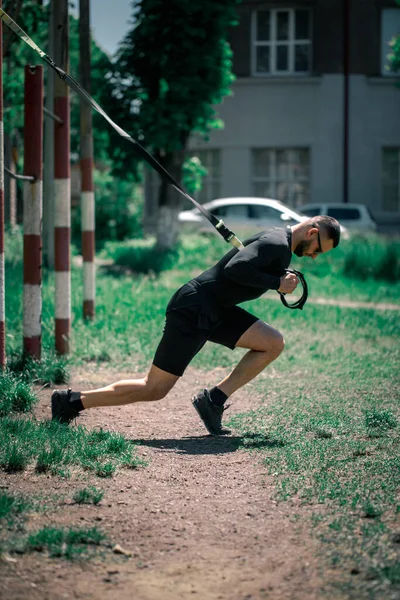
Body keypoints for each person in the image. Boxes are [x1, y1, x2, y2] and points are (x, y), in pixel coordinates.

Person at [51, 216, 340, 435]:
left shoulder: (279, 244)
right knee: (154, 388)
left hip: (218, 310)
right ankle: (72, 401)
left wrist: (274, 279)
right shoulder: (276, 243)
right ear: (312, 232)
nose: (314, 255)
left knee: (272, 342)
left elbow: (245, 269)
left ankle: (213, 400)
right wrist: (276, 282)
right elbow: (234, 269)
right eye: (318, 249)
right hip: (194, 308)